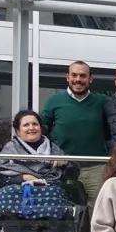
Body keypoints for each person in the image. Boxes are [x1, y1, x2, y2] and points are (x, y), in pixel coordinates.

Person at [41, 60, 108, 222]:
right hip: (63, 168)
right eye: (74, 75)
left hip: (96, 168)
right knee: (62, 209)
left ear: (90, 79)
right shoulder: (54, 101)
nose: (78, 79)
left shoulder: (103, 102)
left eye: (83, 76)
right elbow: (41, 132)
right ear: (67, 77)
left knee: (98, 212)